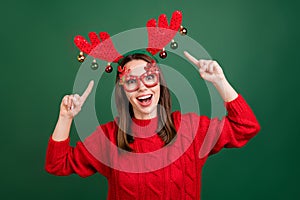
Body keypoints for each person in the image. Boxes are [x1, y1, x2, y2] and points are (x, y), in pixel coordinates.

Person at [45, 50, 260, 199]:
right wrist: (66, 117)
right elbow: (57, 164)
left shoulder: (189, 128)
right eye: (131, 81)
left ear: (159, 83)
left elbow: (246, 127)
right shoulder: (110, 136)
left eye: (149, 77)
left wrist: (220, 82)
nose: (142, 87)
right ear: (123, 91)